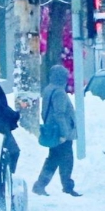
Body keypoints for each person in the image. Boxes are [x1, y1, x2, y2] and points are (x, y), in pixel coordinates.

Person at [33, 65, 80, 197]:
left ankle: (40, 185)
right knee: (67, 160)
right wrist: (65, 133)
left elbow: (45, 112)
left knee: (53, 159)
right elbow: (59, 113)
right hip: (61, 133)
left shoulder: (48, 89)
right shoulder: (59, 92)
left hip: (54, 130)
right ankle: (67, 186)